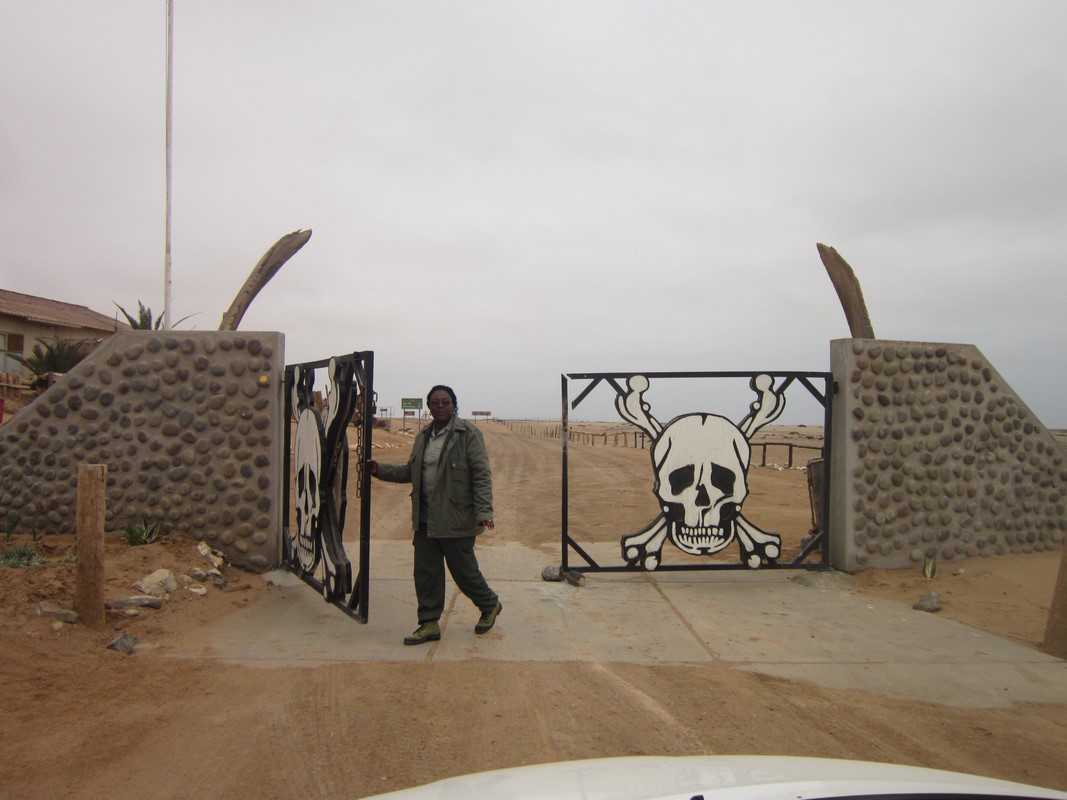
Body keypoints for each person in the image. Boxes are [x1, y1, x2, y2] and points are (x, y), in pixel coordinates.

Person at [368, 385, 502, 645]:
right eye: (435, 403)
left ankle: (490, 604)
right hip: (425, 518)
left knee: (464, 572)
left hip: (456, 517)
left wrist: (484, 511)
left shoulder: (468, 434)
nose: (441, 407)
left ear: (454, 405)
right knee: (426, 573)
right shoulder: (423, 437)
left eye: (446, 402)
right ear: (429, 407)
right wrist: (379, 470)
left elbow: (481, 475)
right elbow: (411, 472)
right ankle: (429, 624)